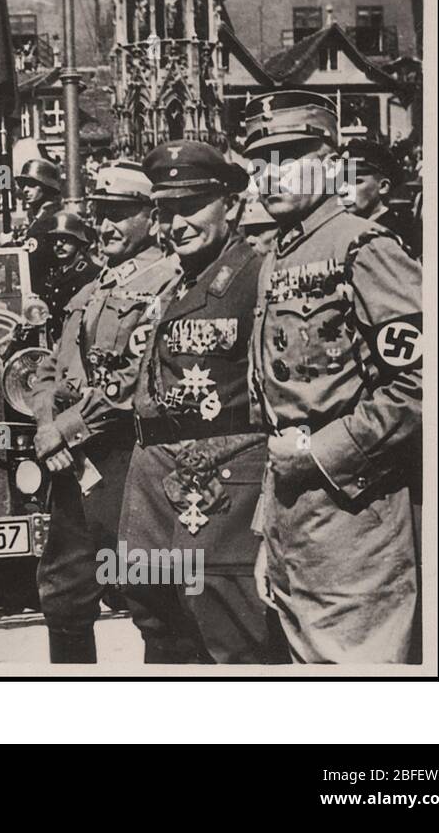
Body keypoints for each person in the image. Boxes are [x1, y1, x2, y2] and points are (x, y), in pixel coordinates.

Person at [245, 92, 422, 663]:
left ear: (330, 159)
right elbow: (281, 410)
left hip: (357, 513)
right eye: (260, 162)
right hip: (295, 521)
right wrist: (268, 531)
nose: (272, 175)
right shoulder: (277, 255)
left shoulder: (363, 247)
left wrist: (325, 450)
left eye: (290, 155)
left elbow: (426, 381)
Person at [116, 139, 286, 664]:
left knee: (228, 622)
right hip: (153, 478)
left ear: (232, 205)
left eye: (191, 206)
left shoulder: (258, 277)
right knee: (153, 610)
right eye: (166, 211)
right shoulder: (174, 282)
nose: (177, 223)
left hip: (218, 479)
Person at [29, 161, 182, 663]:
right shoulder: (94, 288)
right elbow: (50, 366)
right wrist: (46, 424)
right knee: (64, 595)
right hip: (72, 463)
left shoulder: (166, 283)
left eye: (120, 214)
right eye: (101, 213)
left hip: (128, 459)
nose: (106, 225)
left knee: (151, 594)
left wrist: (64, 432)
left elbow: (135, 379)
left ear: (152, 217)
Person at [339, 137, 421, 259]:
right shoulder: (345, 227)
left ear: (383, 186)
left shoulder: (398, 233)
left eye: (355, 181)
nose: (343, 190)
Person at [35, 210, 99, 336]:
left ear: (79, 241)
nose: (58, 244)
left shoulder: (91, 272)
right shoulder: (56, 271)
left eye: (64, 239)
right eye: (54, 240)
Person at [12, 156, 65, 285]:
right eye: (23, 185)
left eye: (31, 185)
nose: (25, 190)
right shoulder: (36, 217)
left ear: (46, 186)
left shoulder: (51, 219)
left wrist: (7, 246)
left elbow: (32, 260)